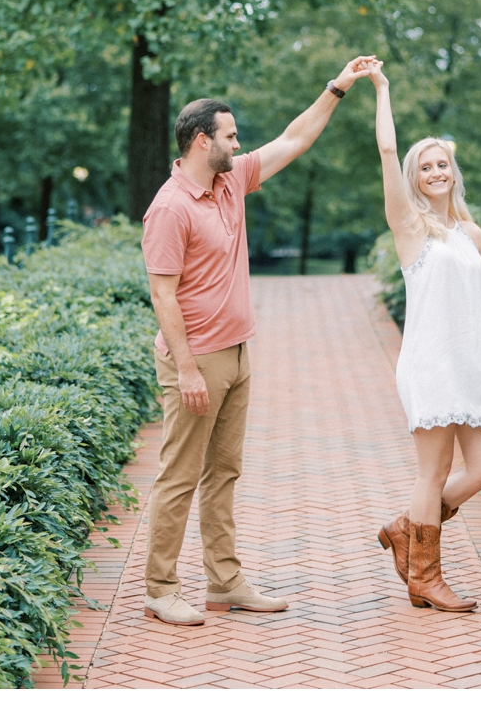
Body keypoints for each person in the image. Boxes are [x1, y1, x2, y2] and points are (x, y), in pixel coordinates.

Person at [139, 55, 378, 626]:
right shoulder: (170, 208)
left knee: (224, 472)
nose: (238, 142)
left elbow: (294, 139)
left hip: (238, 353)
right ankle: (159, 588)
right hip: (195, 361)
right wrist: (190, 369)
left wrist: (337, 88)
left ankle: (224, 582)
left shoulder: (230, 182)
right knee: (180, 474)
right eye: (230, 135)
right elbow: (162, 296)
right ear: (202, 141)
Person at [367, 59, 481, 613]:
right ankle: (426, 579)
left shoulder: (470, 234)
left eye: (443, 165)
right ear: (415, 177)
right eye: (426, 166)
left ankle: (406, 528)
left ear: (453, 173)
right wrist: (383, 89)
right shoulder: (411, 230)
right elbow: (387, 152)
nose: (436, 171)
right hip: (432, 364)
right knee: (431, 471)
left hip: (473, 366)